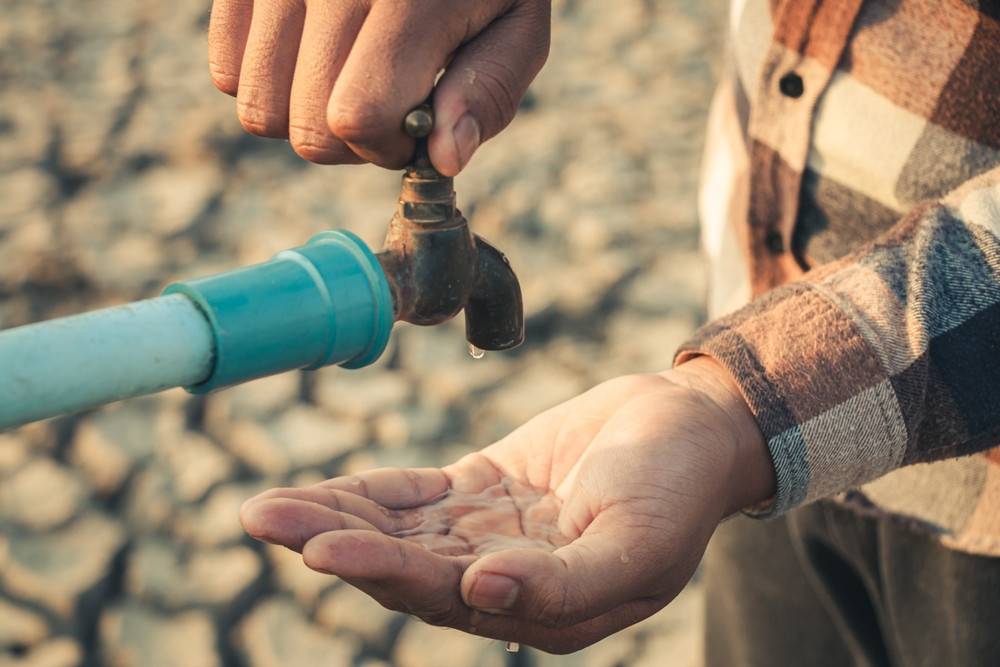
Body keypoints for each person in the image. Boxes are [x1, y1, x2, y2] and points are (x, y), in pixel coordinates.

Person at [219, 0, 1000, 662]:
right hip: (761, 459)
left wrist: (736, 405)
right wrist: (733, 412)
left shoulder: (728, 418)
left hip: (965, 493)